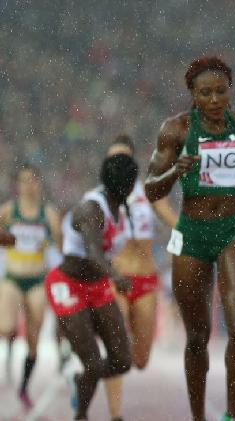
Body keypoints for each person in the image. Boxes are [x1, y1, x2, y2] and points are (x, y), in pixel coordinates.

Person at [144, 56, 235, 421]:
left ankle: (231, 414)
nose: (214, 100)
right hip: (191, 233)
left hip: (231, 230)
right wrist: (175, 171)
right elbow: (150, 189)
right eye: (205, 93)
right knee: (197, 337)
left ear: (229, 92)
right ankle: (198, 415)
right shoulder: (176, 130)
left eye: (221, 92)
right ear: (192, 95)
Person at [45, 154, 137, 421]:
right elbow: (94, 254)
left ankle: (83, 379)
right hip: (68, 285)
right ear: (128, 185)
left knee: (122, 360)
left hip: (96, 287)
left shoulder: (122, 208)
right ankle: (81, 414)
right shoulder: (91, 209)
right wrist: (116, 276)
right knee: (94, 361)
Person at [102, 135, 178, 421]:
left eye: (123, 158)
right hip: (115, 277)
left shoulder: (149, 191)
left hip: (145, 280)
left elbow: (173, 220)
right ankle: (115, 415)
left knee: (141, 359)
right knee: (116, 345)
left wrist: (195, 235)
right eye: (113, 159)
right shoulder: (100, 196)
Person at [0, 163, 63, 408]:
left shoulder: (48, 214)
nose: (28, 185)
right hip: (13, 278)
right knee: (5, 326)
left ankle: (24, 387)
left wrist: (55, 242)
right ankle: (9, 342)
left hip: (37, 279)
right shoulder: (8, 211)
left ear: (38, 183)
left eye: (32, 180)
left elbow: (60, 246)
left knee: (34, 340)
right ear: (17, 185)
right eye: (24, 180)